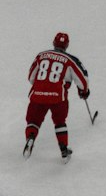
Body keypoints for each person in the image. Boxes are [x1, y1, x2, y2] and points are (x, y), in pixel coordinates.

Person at [23, 31, 89, 160]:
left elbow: (31, 77)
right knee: (60, 121)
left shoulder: (41, 56)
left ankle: (30, 138)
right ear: (67, 45)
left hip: (37, 95)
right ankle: (63, 149)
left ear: (53, 42)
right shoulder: (71, 60)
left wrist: (41, 86)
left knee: (33, 120)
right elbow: (82, 79)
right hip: (58, 97)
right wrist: (84, 91)